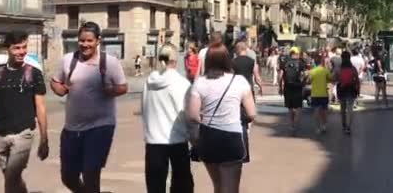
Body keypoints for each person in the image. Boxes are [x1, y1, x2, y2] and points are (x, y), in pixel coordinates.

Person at [50, 22, 128, 192]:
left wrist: (109, 90)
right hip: (72, 128)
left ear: (98, 41)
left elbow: (123, 87)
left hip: (100, 126)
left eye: (89, 41)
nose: (85, 44)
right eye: (81, 40)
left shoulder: (110, 62)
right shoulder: (68, 60)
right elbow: (55, 81)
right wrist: (60, 89)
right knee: (68, 176)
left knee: (91, 172)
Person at [0, 31, 49, 193]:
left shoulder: (33, 73)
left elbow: (41, 107)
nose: (22, 52)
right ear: (7, 49)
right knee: (11, 177)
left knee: (11, 177)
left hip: (23, 133)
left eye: (24, 47)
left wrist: (44, 138)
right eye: (17, 48)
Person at [187, 43, 256, 193]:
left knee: (217, 186)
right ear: (228, 59)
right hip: (232, 137)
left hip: (208, 137)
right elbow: (252, 113)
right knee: (231, 188)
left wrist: (206, 119)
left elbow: (192, 115)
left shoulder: (200, 83)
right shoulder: (239, 81)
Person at [141, 43, 194, 193]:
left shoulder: (149, 82)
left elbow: (144, 108)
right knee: (183, 185)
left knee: (155, 186)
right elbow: (187, 113)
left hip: (153, 141)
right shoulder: (182, 83)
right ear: (176, 61)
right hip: (177, 139)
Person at [278, 47, 307, 135]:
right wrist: (303, 83)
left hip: (288, 86)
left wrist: (280, 87)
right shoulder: (301, 63)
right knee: (298, 107)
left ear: (290, 53)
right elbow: (304, 75)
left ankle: (291, 125)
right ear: (297, 54)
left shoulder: (285, 62)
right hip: (298, 86)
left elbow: (280, 76)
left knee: (290, 107)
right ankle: (295, 125)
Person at [336, 51, 360, 134]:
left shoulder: (339, 68)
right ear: (349, 58)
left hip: (342, 89)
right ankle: (349, 127)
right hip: (351, 89)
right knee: (350, 109)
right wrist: (358, 91)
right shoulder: (353, 68)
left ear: (342, 58)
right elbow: (357, 80)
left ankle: (344, 125)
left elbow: (336, 78)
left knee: (342, 109)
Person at [308, 54, 332, 134]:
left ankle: (317, 128)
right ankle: (324, 126)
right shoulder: (325, 70)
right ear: (321, 62)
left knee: (316, 111)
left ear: (314, 62)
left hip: (315, 94)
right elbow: (330, 78)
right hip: (324, 94)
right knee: (324, 111)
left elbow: (309, 81)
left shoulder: (312, 71)